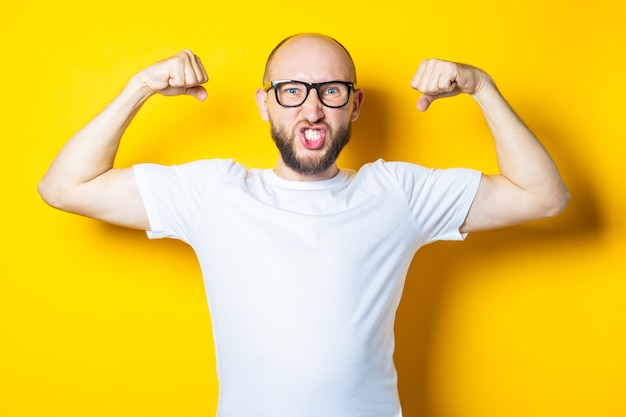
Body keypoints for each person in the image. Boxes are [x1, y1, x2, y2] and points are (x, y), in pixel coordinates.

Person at [38, 33, 569, 417]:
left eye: (330, 91)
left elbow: (543, 197)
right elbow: (63, 187)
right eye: (292, 90)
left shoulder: (398, 194)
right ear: (265, 104)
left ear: (355, 105)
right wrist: (139, 87)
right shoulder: (213, 193)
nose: (312, 109)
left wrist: (482, 88)